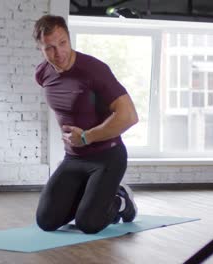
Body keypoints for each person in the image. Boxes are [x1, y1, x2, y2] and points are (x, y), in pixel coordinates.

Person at [33, 14, 139, 234]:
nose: (59, 52)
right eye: (49, 47)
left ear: (69, 39)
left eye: (62, 43)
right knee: (46, 221)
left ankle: (120, 199)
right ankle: (92, 196)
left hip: (107, 157)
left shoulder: (94, 70)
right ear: (40, 48)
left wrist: (85, 137)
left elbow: (129, 115)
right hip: (74, 159)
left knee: (88, 224)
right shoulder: (42, 73)